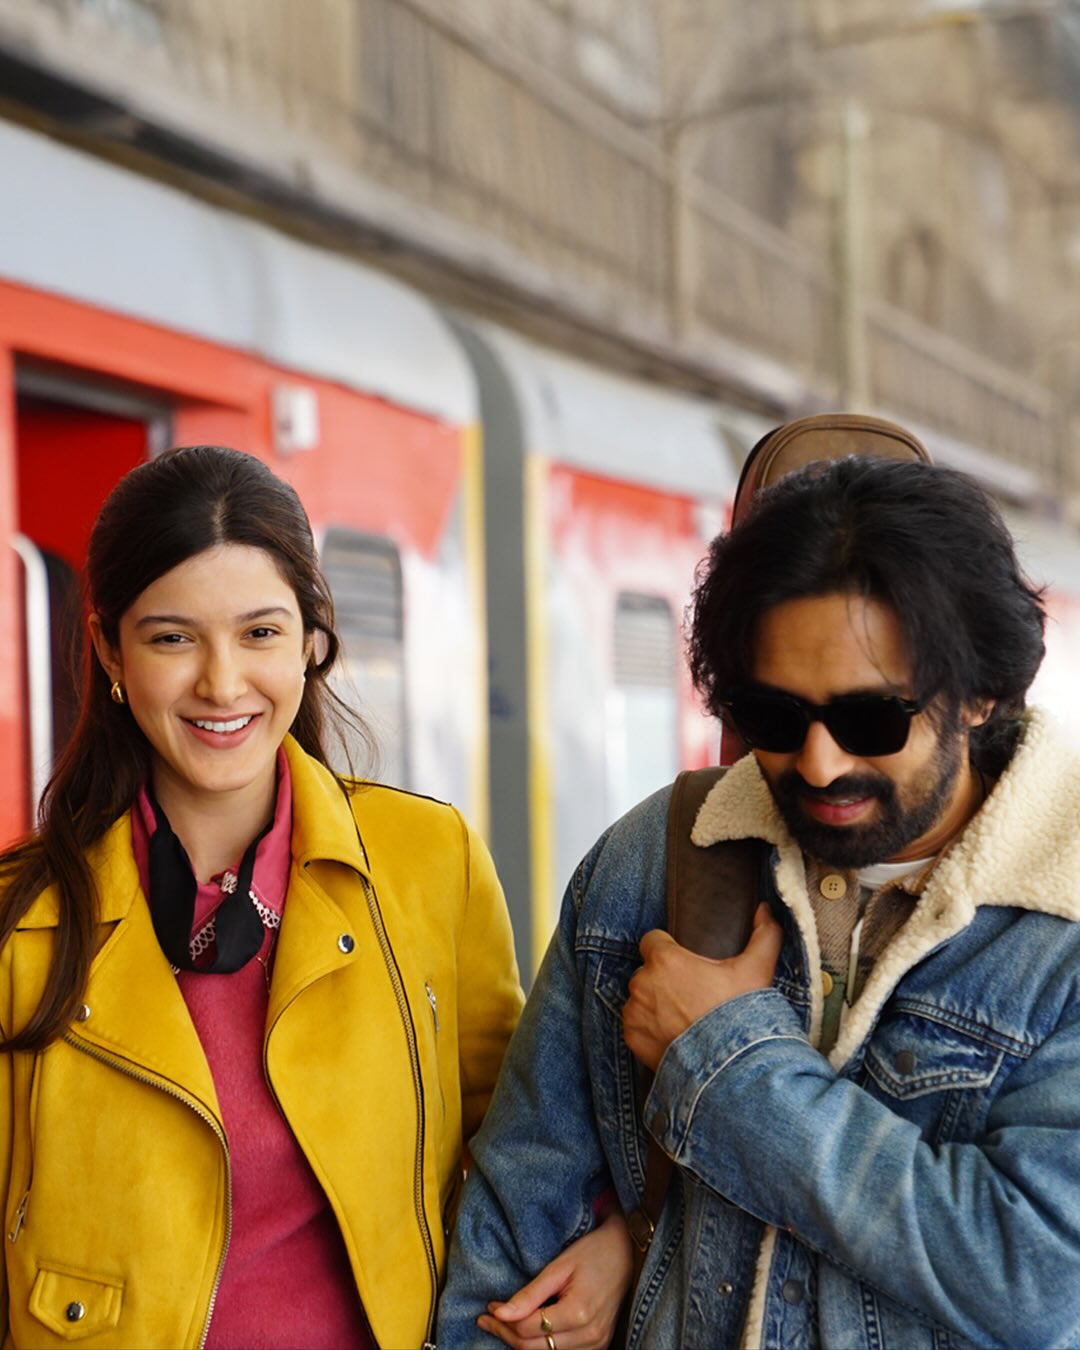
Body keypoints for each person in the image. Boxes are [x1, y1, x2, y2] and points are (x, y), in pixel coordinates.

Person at [439, 438, 1080, 1349]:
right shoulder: (659, 857)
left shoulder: (1062, 919)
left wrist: (728, 1062)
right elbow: (514, 1233)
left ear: (979, 694)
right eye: (775, 717)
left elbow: (1036, 1278)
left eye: (869, 718)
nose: (818, 763)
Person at [0, 445, 626, 1349]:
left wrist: (616, 1243)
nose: (221, 683)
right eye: (172, 638)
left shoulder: (429, 862)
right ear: (109, 651)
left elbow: (530, 1143)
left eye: (259, 634)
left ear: (310, 643)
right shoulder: (21, 922)